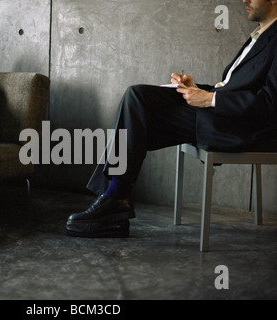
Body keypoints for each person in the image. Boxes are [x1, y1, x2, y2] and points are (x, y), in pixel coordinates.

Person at [64, 0, 277, 238]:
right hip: (220, 111)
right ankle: (116, 199)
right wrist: (195, 89)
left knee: (136, 122)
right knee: (138, 95)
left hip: (238, 126)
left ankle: (116, 196)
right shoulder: (259, 35)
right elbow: (232, 87)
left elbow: (271, 103)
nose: (244, 0)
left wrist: (210, 100)